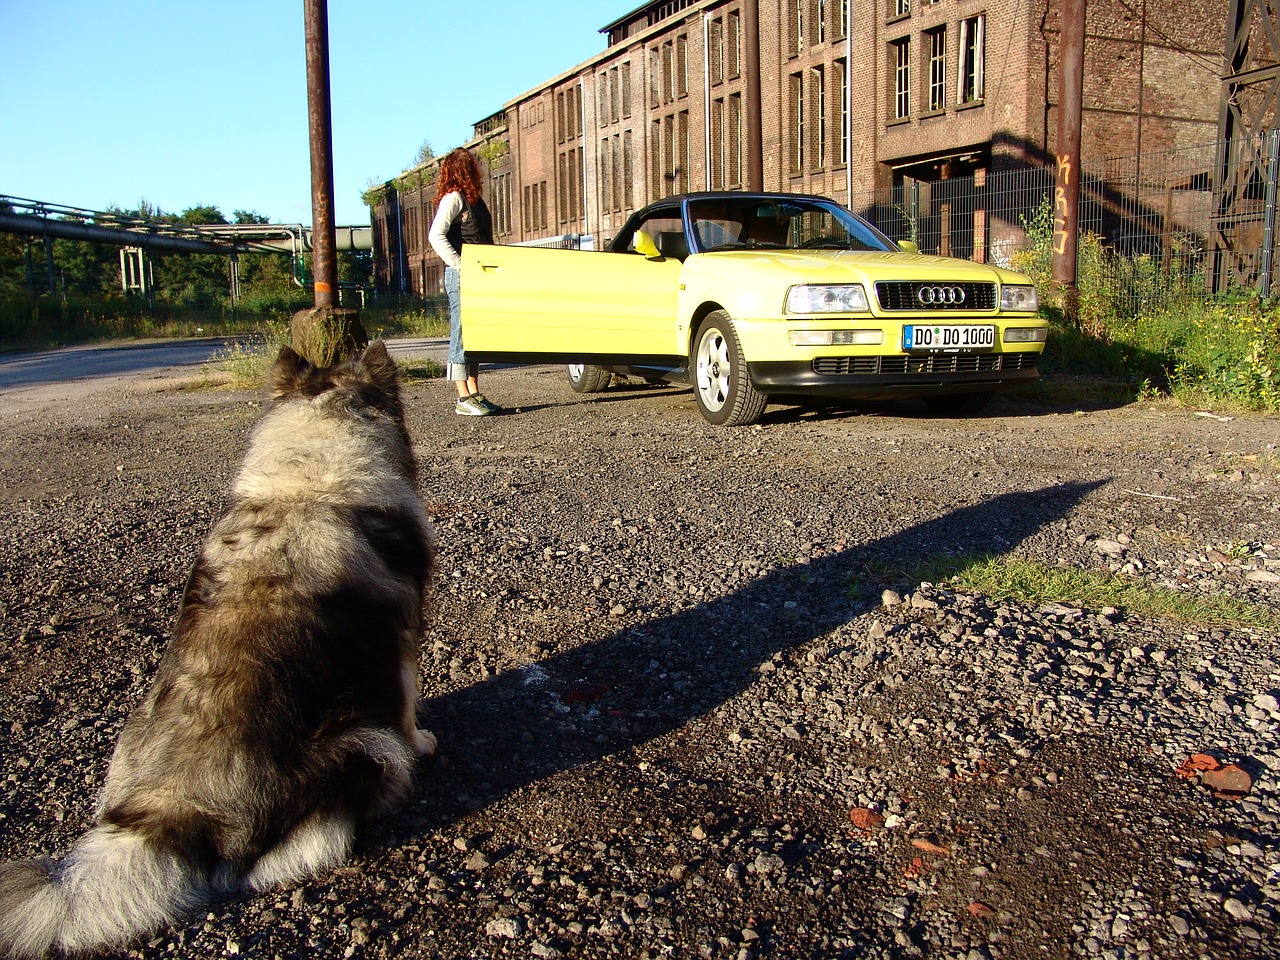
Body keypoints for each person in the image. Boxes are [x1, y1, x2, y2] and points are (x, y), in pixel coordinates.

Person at [429, 147, 502, 416]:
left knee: (475, 335)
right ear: (465, 169)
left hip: (476, 277)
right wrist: (459, 265)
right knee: (460, 333)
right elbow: (436, 236)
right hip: (462, 277)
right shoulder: (454, 199)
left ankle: (474, 391)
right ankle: (462, 397)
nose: (479, 168)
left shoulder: (474, 200)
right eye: (474, 164)